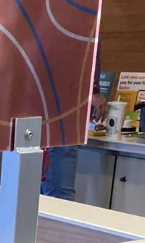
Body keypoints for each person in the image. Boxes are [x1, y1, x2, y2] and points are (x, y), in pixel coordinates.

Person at [41, 50, 107, 202]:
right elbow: (80, 50)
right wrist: (94, 90)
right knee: (59, 197)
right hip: (60, 114)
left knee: (39, 198)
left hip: (44, 113)